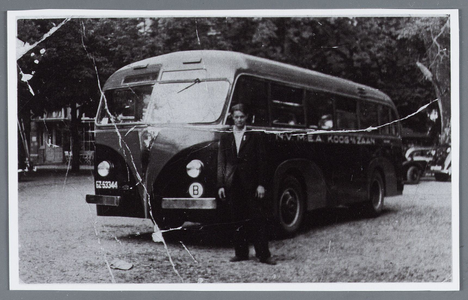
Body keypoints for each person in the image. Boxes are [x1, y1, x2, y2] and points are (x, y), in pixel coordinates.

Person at [217, 103, 276, 265]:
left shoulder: (254, 136)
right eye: (236, 117)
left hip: (251, 185)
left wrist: (261, 184)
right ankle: (241, 253)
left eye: (242, 117)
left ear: (247, 117)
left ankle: (263, 254)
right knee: (237, 219)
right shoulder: (226, 136)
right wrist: (221, 184)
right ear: (232, 117)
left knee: (257, 219)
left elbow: (262, 161)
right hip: (233, 184)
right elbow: (221, 162)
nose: (239, 120)